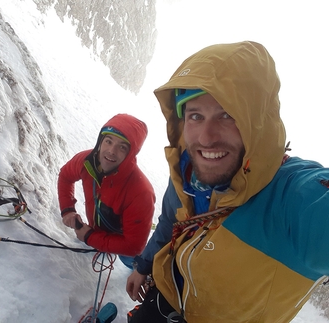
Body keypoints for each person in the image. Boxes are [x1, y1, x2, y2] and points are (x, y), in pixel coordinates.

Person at [126, 41, 329, 322]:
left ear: (258, 122)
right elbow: (168, 222)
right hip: (164, 299)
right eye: (195, 115)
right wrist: (143, 266)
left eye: (227, 115)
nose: (207, 138)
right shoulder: (187, 172)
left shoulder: (292, 197)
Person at [57, 113, 155, 268]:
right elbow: (65, 176)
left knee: (136, 263)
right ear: (100, 142)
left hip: (122, 241)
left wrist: (90, 237)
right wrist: (67, 209)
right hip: (95, 232)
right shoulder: (86, 162)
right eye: (108, 141)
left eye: (122, 147)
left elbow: (133, 246)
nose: (111, 151)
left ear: (131, 154)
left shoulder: (141, 193)